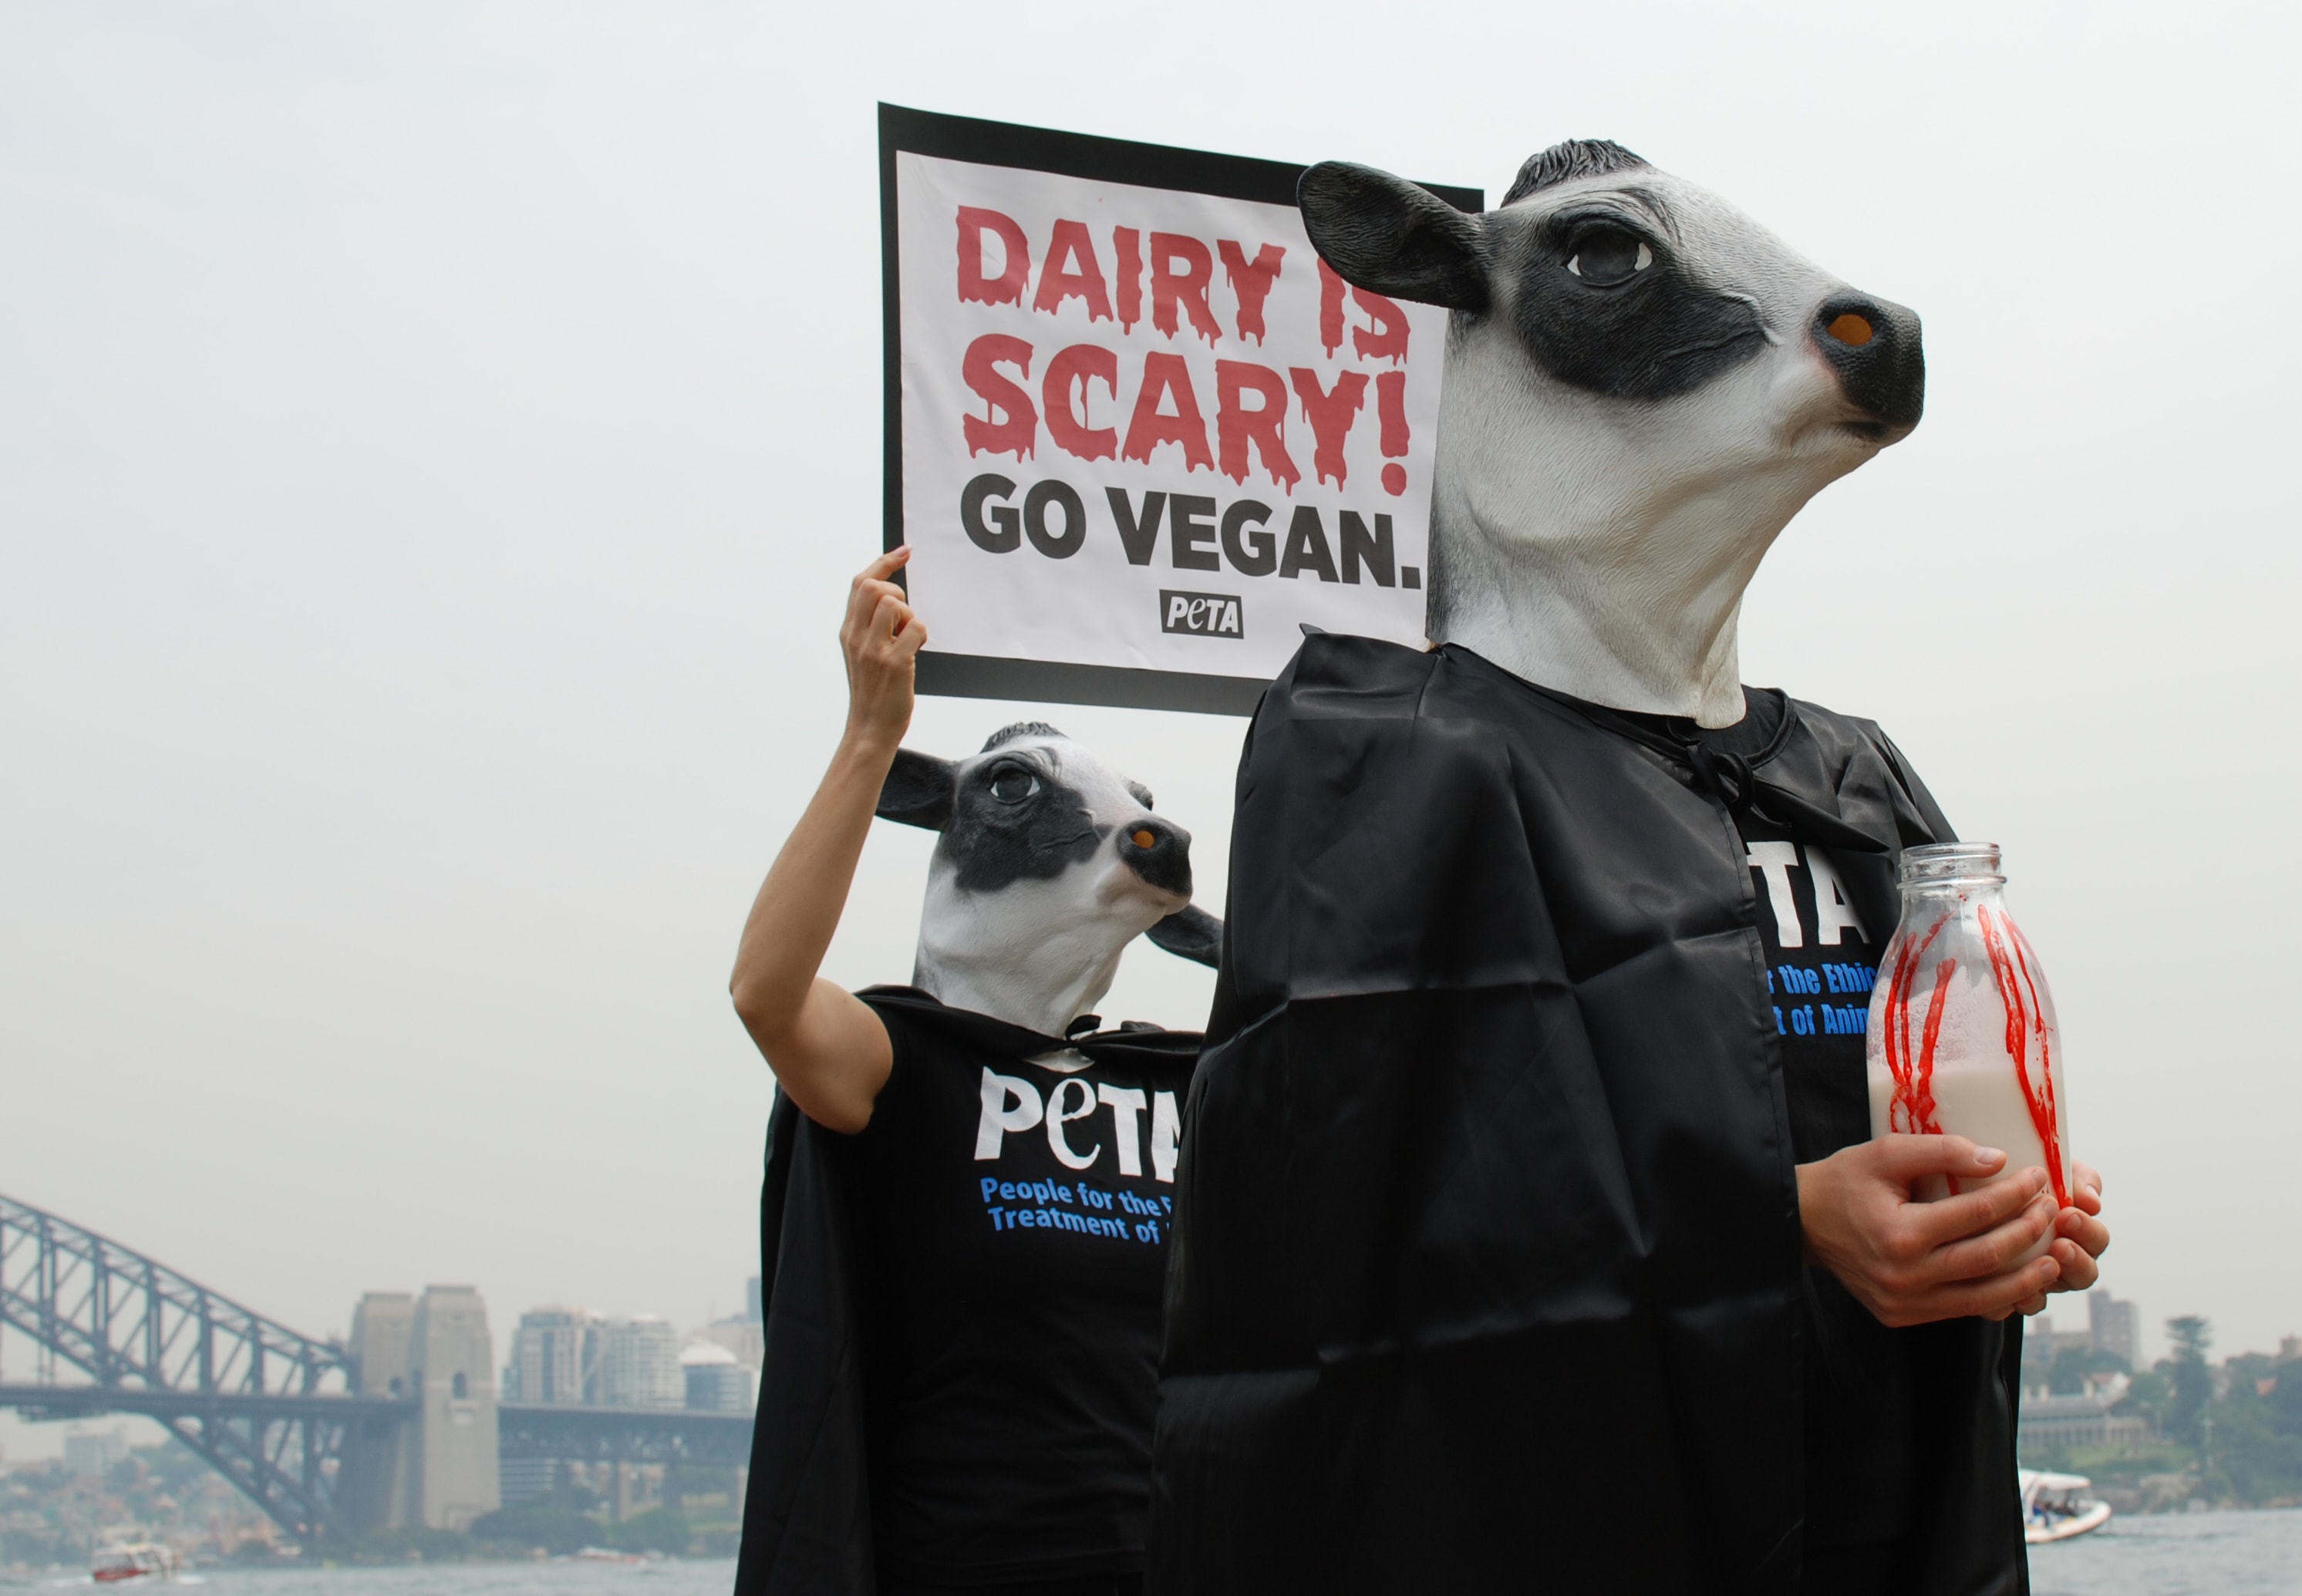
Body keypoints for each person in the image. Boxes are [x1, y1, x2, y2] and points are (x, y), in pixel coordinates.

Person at [728, 549, 1217, 1596]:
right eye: (1012, 792)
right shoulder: (905, 1064)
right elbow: (767, 992)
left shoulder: (1168, 1087)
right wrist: (872, 734)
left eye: (1134, 804)